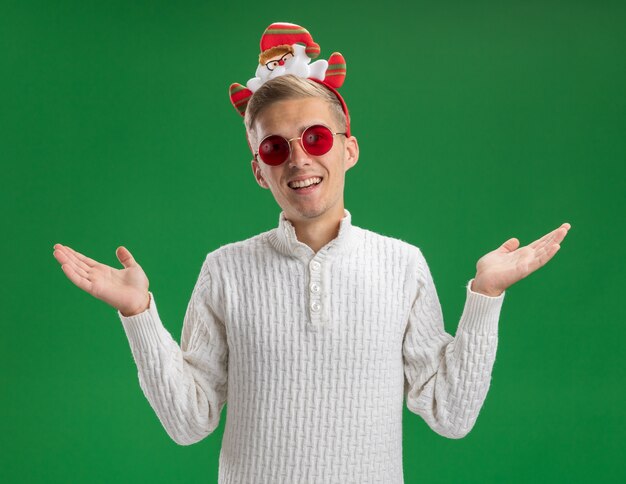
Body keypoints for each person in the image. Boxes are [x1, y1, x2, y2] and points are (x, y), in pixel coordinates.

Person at [52, 22, 571, 484]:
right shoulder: (225, 269)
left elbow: (450, 416)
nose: (298, 159)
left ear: (347, 149)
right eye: (275, 147)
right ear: (260, 170)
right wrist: (138, 313)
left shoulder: (402, 264)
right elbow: (189, 424)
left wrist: (486, 295)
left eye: (316, 137)